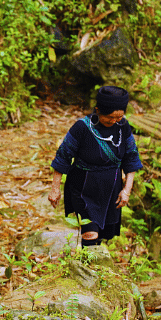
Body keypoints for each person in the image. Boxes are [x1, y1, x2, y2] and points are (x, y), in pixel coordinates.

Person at [48, 85, 143, 248]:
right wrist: (55, 188)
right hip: (83, 189)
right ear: (98, 110)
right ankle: (89, 269)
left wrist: (126, 190)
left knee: (102, 235)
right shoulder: (82, 128)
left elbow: (131, 158)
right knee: (90, 234)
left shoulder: (123, 127)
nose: (115, 121)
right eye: (111, 117)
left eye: (119, 117)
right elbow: (63, 156)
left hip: (110, 190)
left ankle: (94, 268)